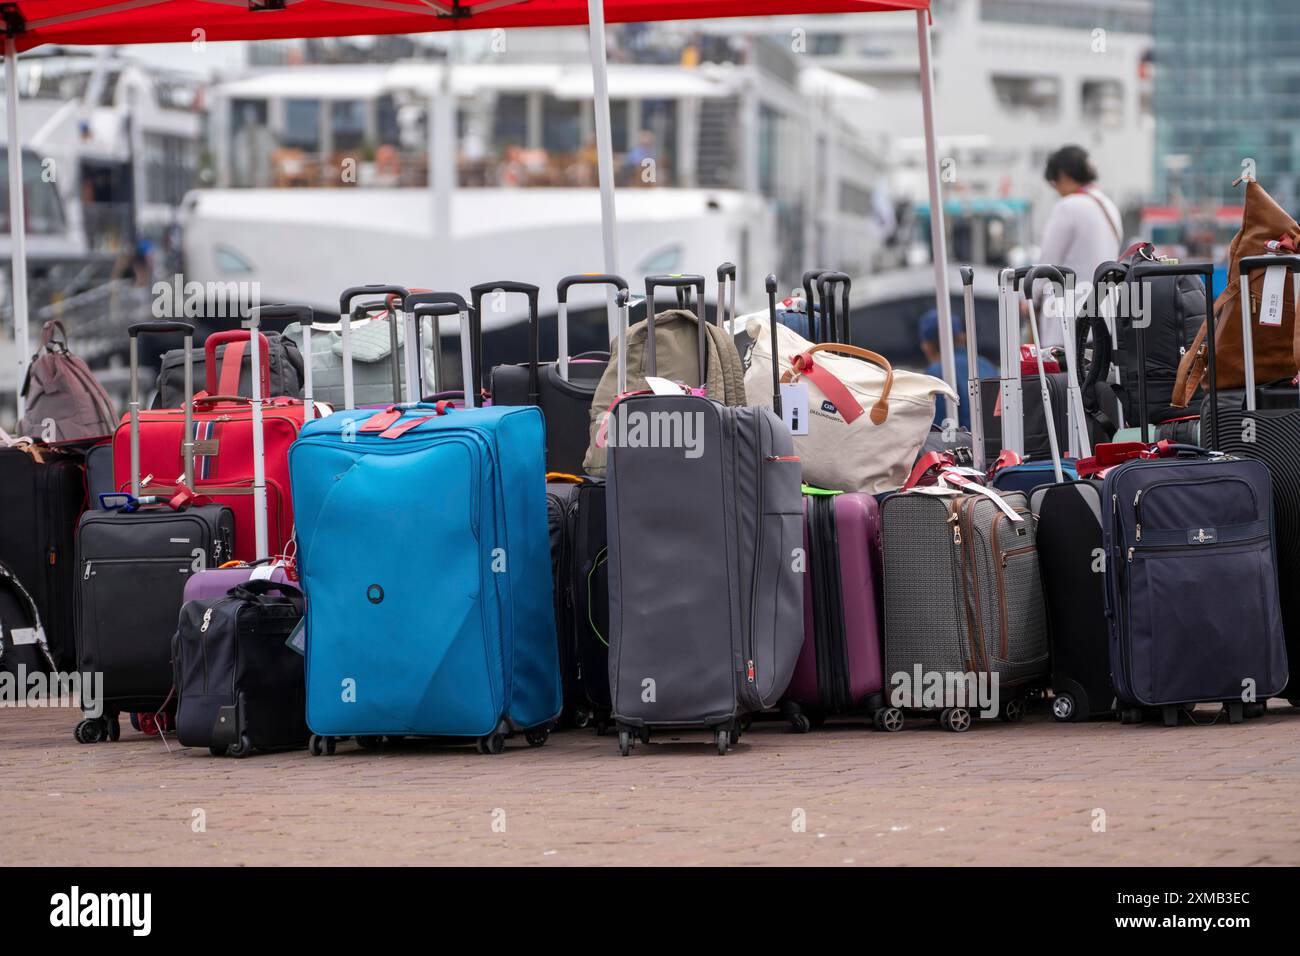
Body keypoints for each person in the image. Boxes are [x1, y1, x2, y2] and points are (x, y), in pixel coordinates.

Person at [1032, 145, 1123, 346]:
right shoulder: (1109, 206)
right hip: (1105, 319)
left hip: (1067, 322)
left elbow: (1047, 263)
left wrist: (1029, 298)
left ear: (1064, 176)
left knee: (1066, 377)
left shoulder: (1068, 206)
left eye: (1054, 183)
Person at [919, 307, 996, 430]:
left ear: (927, 346)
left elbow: (936, 430)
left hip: (962, 446)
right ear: (962, 337)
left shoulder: (935, 374)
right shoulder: (986, 365)